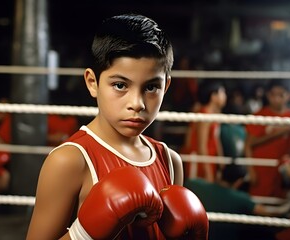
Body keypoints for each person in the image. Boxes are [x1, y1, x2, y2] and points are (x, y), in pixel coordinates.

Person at [26, 13, 209, 240]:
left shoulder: (170, 161)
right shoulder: (69, 161)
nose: (137, 103)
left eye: (151, 87)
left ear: (166, 87)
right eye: (120, 85)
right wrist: (84, 232)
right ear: (93, 83)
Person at [184, 164, 290, 240]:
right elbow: (268, 214)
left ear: (221, 173)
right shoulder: (241, 199)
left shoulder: (194, 183)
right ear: (239, 182)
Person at [244, 79, 290, 199]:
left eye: (280, 95)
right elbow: (249, 144)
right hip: (261, 171)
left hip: (282, 174)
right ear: (267, 95)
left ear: (289, 96)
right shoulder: (259, 116)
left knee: (280, 208)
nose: (276, 98)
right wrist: (251, 170)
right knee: (258, 206)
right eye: (272, 94)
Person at [181, 80, 227, 182]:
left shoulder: (213, 115)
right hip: (200, 160)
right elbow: (201, 145)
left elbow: (215, 138)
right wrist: (208, 171)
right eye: (222, 92)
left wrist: (220, 160)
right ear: (213, 96)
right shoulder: (204, 115)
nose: (225, 96)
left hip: (209, 158)